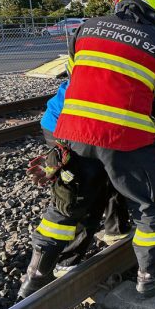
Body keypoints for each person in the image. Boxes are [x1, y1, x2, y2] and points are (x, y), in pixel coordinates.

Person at [19, 0, 155, 299]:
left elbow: (79, 77)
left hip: (71, 135)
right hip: (124, 138)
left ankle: (35, 278)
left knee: (66, 205)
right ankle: (150, 279)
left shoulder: (85, 28)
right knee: (150, 205)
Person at [31, 80, 131, 276]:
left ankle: (116, 230)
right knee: (85, 193)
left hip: (87, 125)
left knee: (111, 174)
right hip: (69, 127)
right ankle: (65, 262)